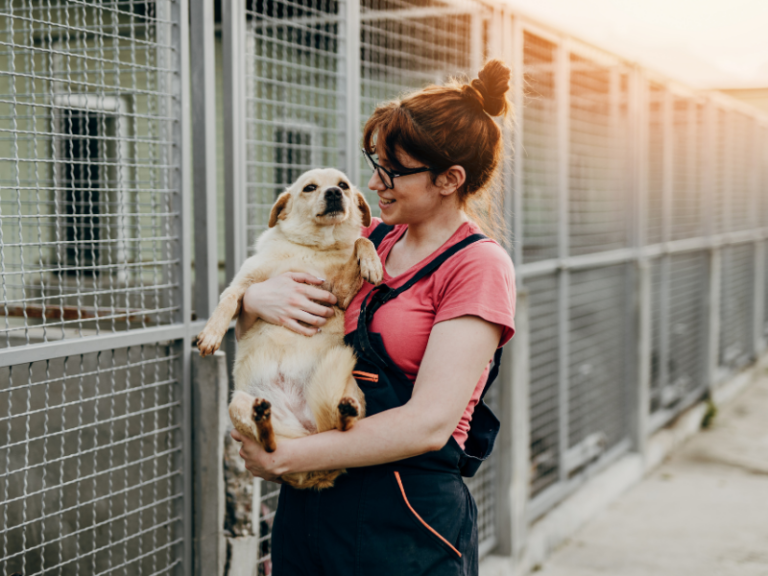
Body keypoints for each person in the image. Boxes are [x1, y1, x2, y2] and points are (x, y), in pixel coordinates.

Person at [230, 59, 516, 576]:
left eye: (392, 170)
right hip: (314, 505)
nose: (373, 182)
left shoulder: (478, 266)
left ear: (450, 179)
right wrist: (254, 300)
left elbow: (430, 423)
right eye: (375, 161)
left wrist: (289, 457)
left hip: (403, 516)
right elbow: (278, 323)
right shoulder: (371, 241)